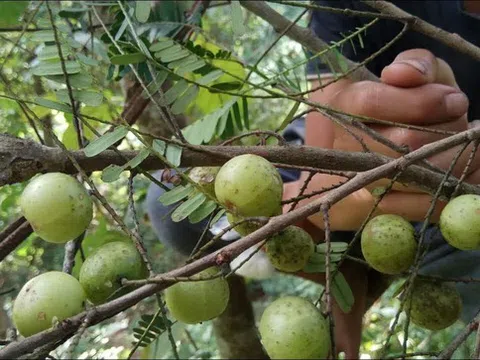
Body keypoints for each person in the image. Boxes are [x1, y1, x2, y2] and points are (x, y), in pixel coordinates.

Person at [145, 1, 480, 358]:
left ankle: (362, 256)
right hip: (339, 164)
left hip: (454, 202)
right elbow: (323, 168)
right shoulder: (352, 4)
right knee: (172, 204)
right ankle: (343, 264)